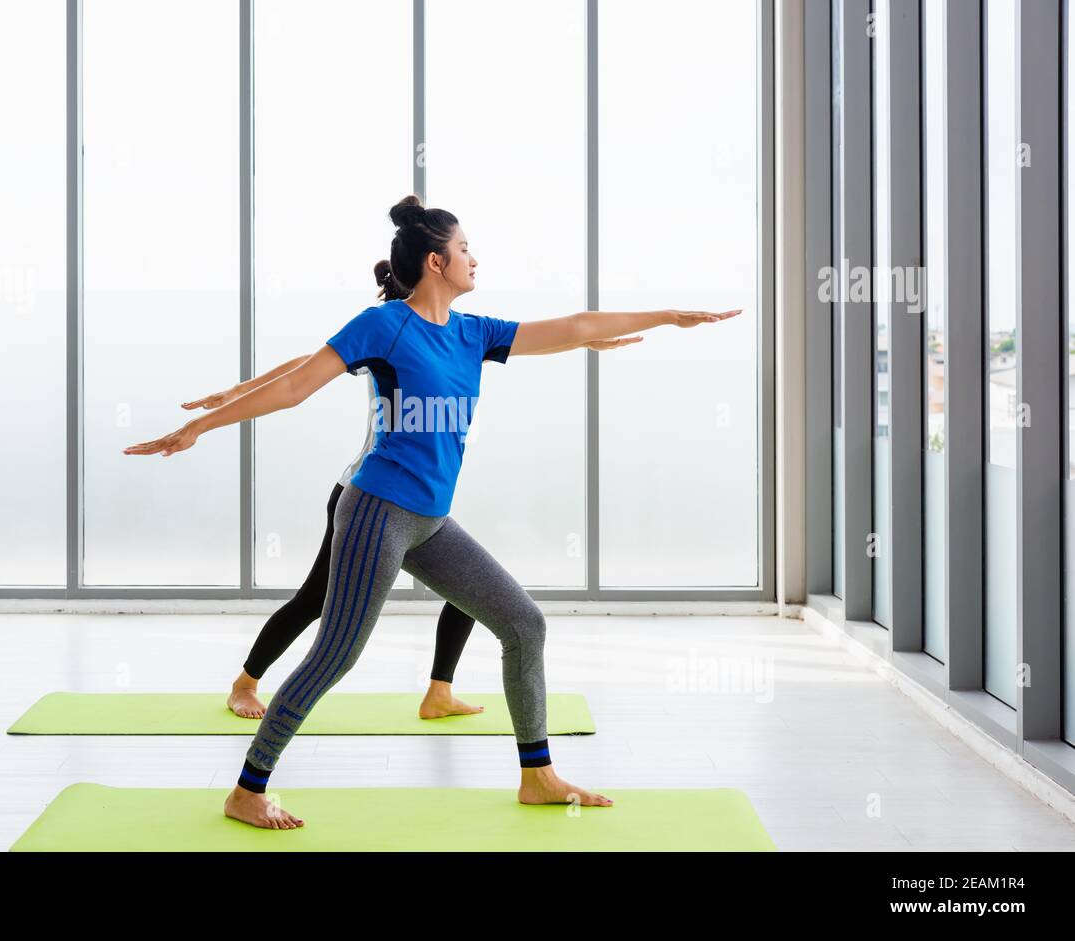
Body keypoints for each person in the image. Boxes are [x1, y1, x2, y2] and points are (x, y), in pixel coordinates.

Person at [125, 194, 740, 829]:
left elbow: (577, 325)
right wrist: (202, 425)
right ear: (435, 261)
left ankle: (539, 775)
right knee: (335, 655)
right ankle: (247, 790)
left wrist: (669, 316)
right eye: (466, 248)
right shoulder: (385, 325)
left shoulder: (475, 334)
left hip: (431, 522)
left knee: (524, 626)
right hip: (376, 512)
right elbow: (294, 386)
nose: (475, 257)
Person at [187, 343, 641, 721]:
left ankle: (438, 692)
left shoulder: (448, 333)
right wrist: (236, 392)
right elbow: (301, 370)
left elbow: (526, 341)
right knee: (315, 600)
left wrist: (587, 340)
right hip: (365, 500)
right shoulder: (385, 334)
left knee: (471, 592)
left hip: (421, 502)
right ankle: (244, 684)